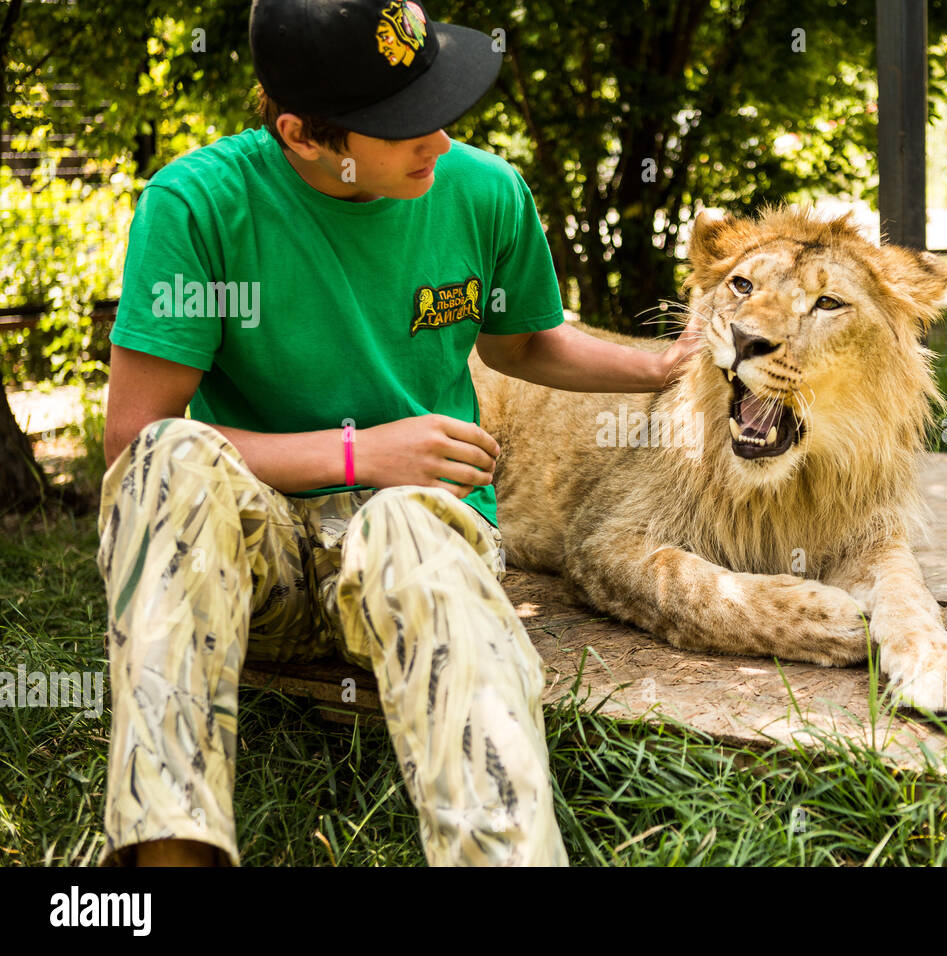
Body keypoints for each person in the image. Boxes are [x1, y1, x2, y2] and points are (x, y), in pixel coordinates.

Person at [96, 0, 703, 867]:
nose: (441, 142)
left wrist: (656, 367)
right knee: (170, 459)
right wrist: (358, 453)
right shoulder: (197, 204)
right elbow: (135, 441)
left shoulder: (482, 190)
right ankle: (169, 862)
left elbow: (523, 339)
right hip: (255, 557)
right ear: (305, 136)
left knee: (407, 516)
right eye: (405, 125)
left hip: (421, 542)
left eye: (440, 106)